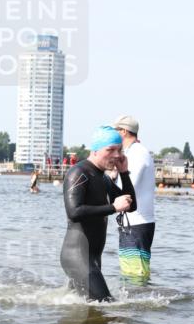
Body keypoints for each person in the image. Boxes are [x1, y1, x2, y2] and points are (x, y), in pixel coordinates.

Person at [60, 126, 136, 301]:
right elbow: (74, 212)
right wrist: (112, 208)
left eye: (119, 150)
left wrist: (124, 173)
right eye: (110, 150)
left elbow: (131, 206)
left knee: (85, 308)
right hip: (77, 255)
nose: (116, 155)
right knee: (107, 304)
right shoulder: (78, 173)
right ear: (94, 150)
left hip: (93, 257)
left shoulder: (103, 178)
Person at [112, 115, 156, 282]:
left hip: (137, 223)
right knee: (130, 272)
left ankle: (138, 306)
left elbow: (129, 186)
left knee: (136, 274)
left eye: (115, 131)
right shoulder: (132, 152)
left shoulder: (138, 153)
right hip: (132, 222)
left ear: (123, 131)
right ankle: (134, 305)